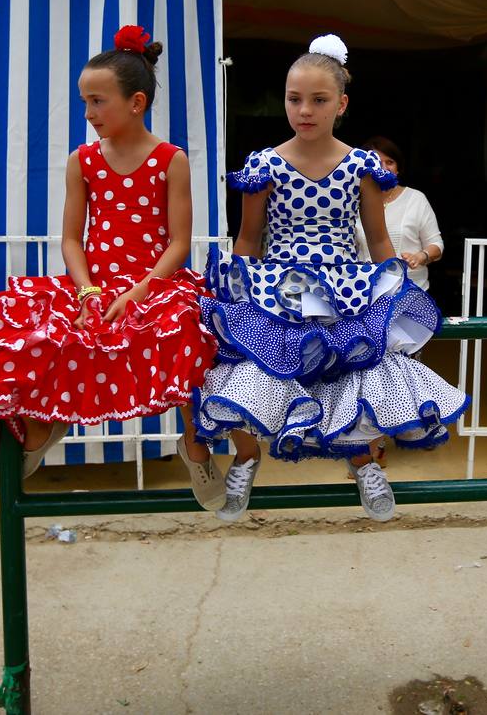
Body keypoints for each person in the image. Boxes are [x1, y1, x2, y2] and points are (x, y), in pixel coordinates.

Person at [0, 26, 222, 506]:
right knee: (47, 335)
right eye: (85, 102)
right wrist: (87, 291)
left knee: (187, 329)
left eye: (98, 101)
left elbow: (179, 243)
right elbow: (70, 238)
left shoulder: (172, 160)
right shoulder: (82, 161)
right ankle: (44, 424)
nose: (89, 114)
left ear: (136, 102)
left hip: (155, 281)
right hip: (92, 281)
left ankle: (195, 445)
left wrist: (140, 290)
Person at [196, 34, 468, 523]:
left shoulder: (362, 166)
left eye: (318, 100)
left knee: (356, 371)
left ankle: (364, 465)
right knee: (249, 368)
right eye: (294, 98)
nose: (304, 110)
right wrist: (232, 292)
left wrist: (393, 291)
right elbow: (248, 239)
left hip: (345, 282)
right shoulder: (264, 164)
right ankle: (246, 457)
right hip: (276, 284)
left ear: (341, 104)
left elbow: (379, 241)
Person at [354, 136, 444, 292]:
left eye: (390, 162)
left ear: (398, 168)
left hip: (411, 292)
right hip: (365, 292)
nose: (383, 167)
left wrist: (420, 257)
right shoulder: (353, 201)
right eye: (376, 162)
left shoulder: (415, 199)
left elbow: (436, 245)